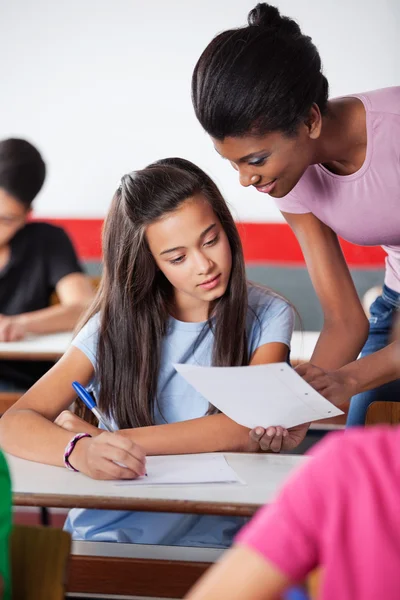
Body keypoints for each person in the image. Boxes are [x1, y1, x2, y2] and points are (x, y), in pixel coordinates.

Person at [0, 157, 298, 547]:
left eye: (211, 240)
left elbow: (244, 428)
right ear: (150, 263)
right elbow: (13, 423)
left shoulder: (268, 314)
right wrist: (80, 451)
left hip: (220, 537)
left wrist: (112, 439)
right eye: (177, 258)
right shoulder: (111, 326)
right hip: (106, 533)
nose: (204, 264)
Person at [191, 2, 400, 427]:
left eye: (256, 159)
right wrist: (293, 414)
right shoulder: (288, 175)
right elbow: (344, 318)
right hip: (395, 305)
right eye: (233, 164)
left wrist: (351, 377)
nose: (246, 180)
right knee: (359, 453)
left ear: (310, 119)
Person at [0, 138, 94, 391]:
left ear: (27, 213)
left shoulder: (48, 241)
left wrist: (19, 324)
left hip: (25, 388)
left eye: (7, 219)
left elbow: (83, 307)